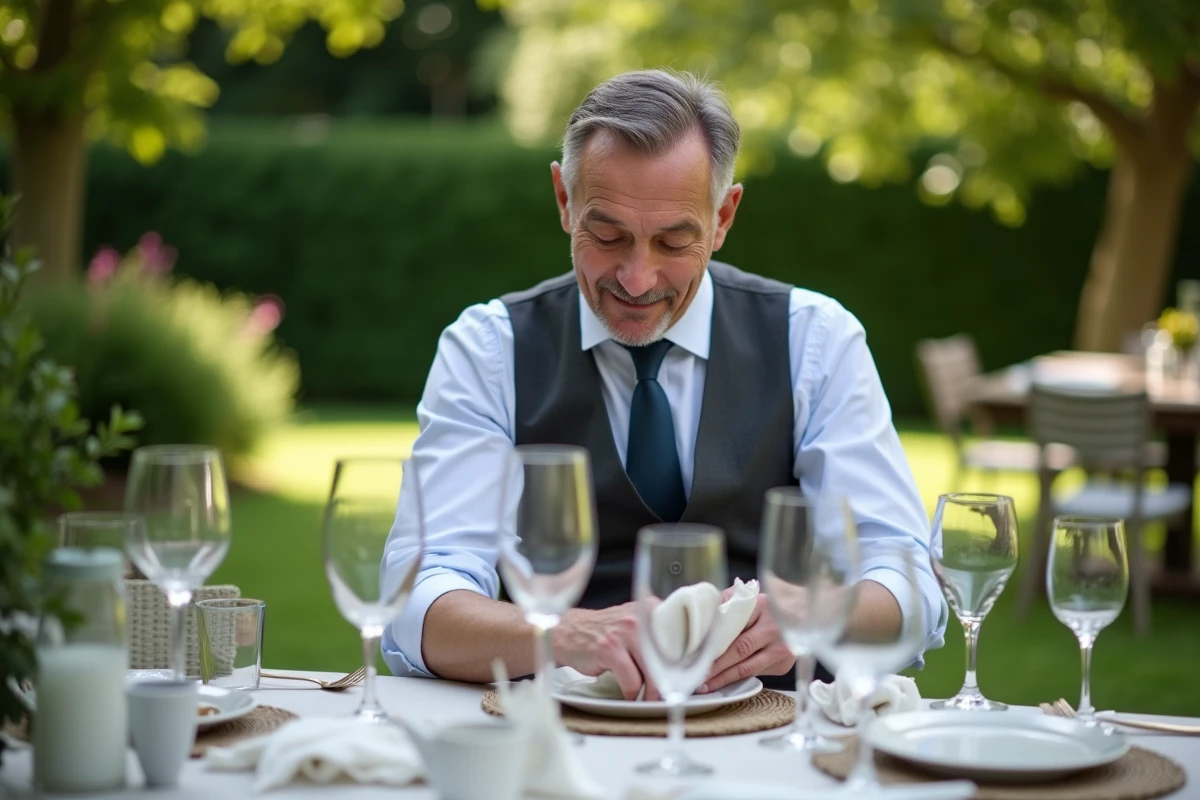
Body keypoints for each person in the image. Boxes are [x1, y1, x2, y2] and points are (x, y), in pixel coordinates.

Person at [381, 69, 946, 699]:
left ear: (724, 215)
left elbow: (904, 575)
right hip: (557, 736)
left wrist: (820, 617)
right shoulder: (488, 348)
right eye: (607, 235)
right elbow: (418, 595)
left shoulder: (815, 340)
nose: (638, 277)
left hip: (775, 738)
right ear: (564, 201)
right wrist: (565, 634)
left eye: (674, 241)